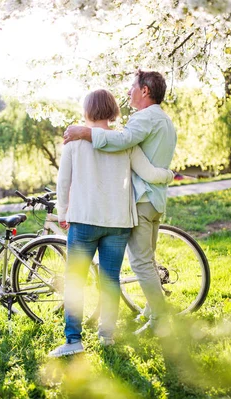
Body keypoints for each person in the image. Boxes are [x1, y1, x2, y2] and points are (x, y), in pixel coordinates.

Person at [49, 89, 174, 357]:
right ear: (114, 111)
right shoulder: (125, 142)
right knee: (110, 280)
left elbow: (64, 182)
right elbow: (150, 174)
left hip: (83, 220)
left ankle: (73, 341)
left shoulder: (74, 141)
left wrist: (62, 213)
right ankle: (107, 336)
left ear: (87, 110)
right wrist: (170, 174)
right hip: (118, 223)